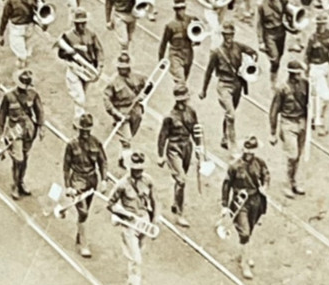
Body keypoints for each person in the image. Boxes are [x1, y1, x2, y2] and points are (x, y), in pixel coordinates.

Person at [108, 151, 158, 285]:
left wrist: (155, 221)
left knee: (136, 257)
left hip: (144, 222)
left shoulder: (148, 181)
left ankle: (131, 282)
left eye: (140, 168)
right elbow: (110, 204)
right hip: (129, 224)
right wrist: (123, 213)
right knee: (136, 260)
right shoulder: (122, 184)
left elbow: (155, 201)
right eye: (135, 168)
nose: (138, 171)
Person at [200, 22, 256, 150]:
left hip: (237, 85)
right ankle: (232, 142)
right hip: (224, 85)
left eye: (231, 34)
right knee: (231, 114)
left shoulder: (239, 47)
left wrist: (249, 63)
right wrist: (203, 90)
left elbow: (253, 53)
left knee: (230, 113)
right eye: (226, 35)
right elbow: (208, 71)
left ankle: (225, 138)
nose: (229, 37)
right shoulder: (217, 52)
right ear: (222, 35)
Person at [221, 136, 269, 279]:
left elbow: (266, 174)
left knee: (250, 230)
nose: (249, 152)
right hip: (240, 202)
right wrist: (224, 205)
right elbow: (226, 185)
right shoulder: (235, 166)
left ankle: (244, 254)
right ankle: (244, 264)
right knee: (245, 233)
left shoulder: (259, 163)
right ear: (243, 149)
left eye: (252, 150)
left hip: (255, 201)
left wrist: (265, 186)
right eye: (247, 149)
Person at [63, 113, 108, 258]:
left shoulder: (96, 143)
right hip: (77, 180)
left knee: (85, 212)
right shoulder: (71, 145)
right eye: (82, 130)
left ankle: (80, 234)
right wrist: (68, 186)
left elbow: (103, 162)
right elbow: (66, 166)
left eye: (87, 130)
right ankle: (83, 244)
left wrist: (104, 180)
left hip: (91, 180)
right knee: (83, 212)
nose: (85, 133)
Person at [157, 84, 202, 227]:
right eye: (180, 100)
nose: (183, 102)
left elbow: (196, 129)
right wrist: (160, 155)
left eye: (185, 99)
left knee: (180, 181)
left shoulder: (192, 112)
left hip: (187, 146)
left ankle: (176, 203)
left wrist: (198, 147)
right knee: (182, 180)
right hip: (174, 148)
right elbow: (162, 136)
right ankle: (179, 215)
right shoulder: (170, 117)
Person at [0, 70, 44, 199]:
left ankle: (21, 181)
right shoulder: (9, 96)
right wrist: (1, 134)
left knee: (25, 158)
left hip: (28, 131)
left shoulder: (33, 95)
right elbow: (1, 114)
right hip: (14, 132)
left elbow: (39, 111)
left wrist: (41, 127)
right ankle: (15, 185)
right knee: (19, 159)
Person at [268, 60, 309, 198]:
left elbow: (310, 102)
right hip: (288, 123)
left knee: (298, 156)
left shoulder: (305, 84)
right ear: (291, 74)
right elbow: (274, 111)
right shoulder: (282, 89)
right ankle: (286, 185)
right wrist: (273, 132)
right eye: (297, 73)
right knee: (292, 155)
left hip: (302, 122)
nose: (299, 75)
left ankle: (293, 181)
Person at [59, 7, 103, 119]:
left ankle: (78, 116)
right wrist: (70, 52)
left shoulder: (91, 34)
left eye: (84, 23)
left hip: (87, 69)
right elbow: (61, 54)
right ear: (75, 24)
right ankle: (80, 119)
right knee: (80, 97)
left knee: (82, 92)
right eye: (79, 23)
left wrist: (99, 66)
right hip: (74, 68)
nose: (82, 26)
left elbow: (98, 50)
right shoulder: (68, 36)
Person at [104, 53, 148, 162]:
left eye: (125, 67)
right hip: (121, 111)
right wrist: (116, 114)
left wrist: (144, 94)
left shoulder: (138, 76)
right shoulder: (113, 82)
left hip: (136, 111)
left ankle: (122, 156)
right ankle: (128, 164)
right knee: (127, 138)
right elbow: (107, 101)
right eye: (121, 67)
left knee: (129, 136)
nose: (123, 69)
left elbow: (149, 84)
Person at [0, 0, 41, 70]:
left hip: (30, 27)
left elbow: (42, 5)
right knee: (22, 56)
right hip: (17, 30)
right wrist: (1, 34)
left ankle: (22, 75)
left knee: (27, 56)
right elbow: (4, 17)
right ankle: (20, 76)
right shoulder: (11, 0)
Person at [158, 0, 200, 84]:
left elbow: (199, 35)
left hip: (188, 55)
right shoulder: (170, 26)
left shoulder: (192, 20)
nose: (181, 11)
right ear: (175, 10)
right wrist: (160, 60)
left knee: (183, 82)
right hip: (175, 55)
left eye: (182, 8)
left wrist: (197, 39)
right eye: (178, 9)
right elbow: (163, 43)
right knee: (181, 81)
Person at [257, 0, 289, 85]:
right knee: (275, 59)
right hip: (269, 34)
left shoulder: (282, 0)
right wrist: (261, 41)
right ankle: (273, 80)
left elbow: (289, 13)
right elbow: (259, 24)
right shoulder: (262, 5)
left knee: (280, 56)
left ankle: (274, 69)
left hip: (281, 32)